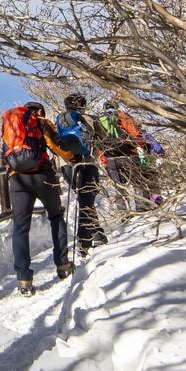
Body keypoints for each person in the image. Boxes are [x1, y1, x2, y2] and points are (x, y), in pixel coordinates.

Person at [1, 101, 76, 296]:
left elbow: (5, 154)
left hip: (17, 180)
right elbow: (56, 146)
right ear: (39, 111)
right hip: (43, 176)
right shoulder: (41, 122)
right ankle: (63, 265)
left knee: (20, 227)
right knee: (56, 217)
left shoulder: (10, 127)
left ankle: (23, 279)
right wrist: (73, 158)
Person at [54, 93, 109, 259]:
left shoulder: (59, 120)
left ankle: (97, 233)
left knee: (84, 199)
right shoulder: (89, 118)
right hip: (87, 162)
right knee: (86, 201)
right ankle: (84, 242)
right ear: (82, 105)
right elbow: (103, 139)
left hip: (67, 166)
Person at [96, 100, 161, 210]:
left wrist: (105, 162)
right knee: (138, 182)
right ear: (116, 107)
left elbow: (98, 144)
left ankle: (123, 212)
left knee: (119, 187)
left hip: (110, 158)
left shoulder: (98, 121)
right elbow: (136, 134)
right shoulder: (122, 116)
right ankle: (142, 208)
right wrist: (140, 147)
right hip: (128, 154)